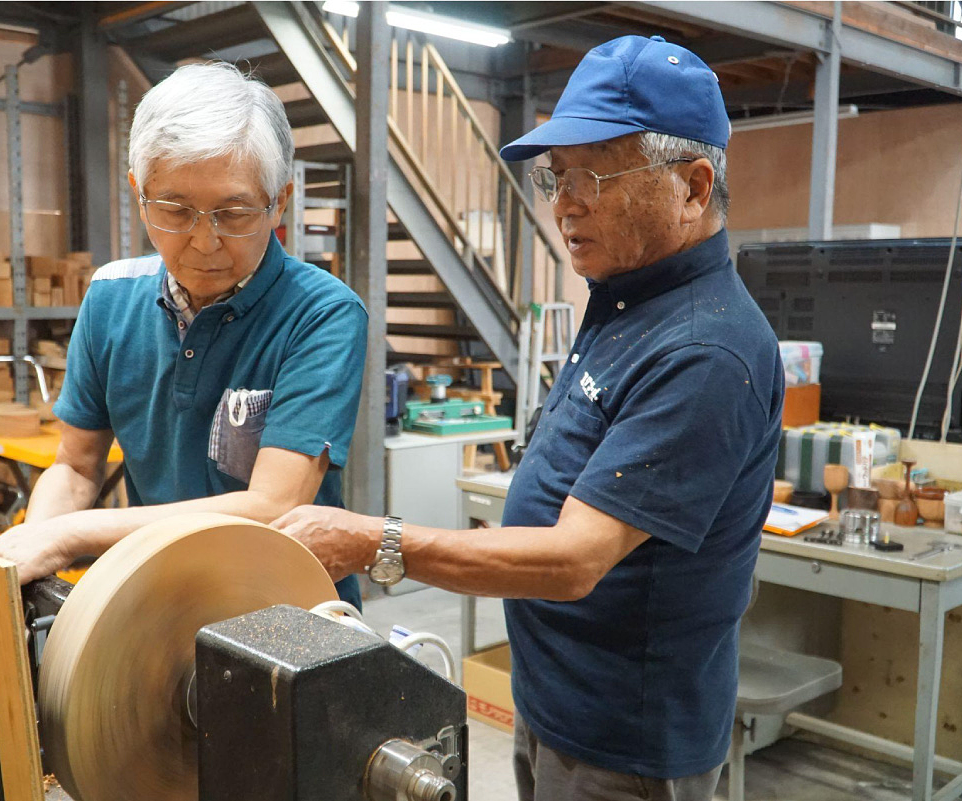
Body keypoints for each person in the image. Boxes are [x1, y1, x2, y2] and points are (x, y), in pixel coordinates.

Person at [273, 35, 784, 800]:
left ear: (691, 185)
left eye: (594, 176)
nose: (564, 202)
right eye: (555, 176)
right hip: (557, 701)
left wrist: (373, 540)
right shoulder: (628, 298)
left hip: (626, 741)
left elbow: (574, 559)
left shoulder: (708, 349)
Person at [0, 62, 368, 609]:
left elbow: (272, 507)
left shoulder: (321, 314)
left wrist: (72, 536)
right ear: (138, 193)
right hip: (162, 601)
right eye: (175, 211)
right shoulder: (111, 298)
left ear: (278, 201)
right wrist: (32, 549)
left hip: (287, 607)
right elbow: (74, 466)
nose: (204, 241)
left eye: (233, 213)